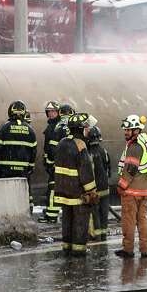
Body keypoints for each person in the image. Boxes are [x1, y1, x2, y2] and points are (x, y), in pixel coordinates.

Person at [53, 113, 98, 256]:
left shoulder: (62, 143)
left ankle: (67, 247)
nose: (89, 130)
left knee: (67, 220)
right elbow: (85, 171)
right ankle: (79, 251)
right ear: (80, 129)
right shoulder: (80, 145)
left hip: (63, 192)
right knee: (80, 221)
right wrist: (91, 191)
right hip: (78, 193)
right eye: (87, 127)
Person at [115, 114, 147, 259]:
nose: (126, 132)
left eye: (129, 130)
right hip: (145, 189)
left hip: (132, 190)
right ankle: (145, 250)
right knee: (143, 220)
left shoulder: (135, 146)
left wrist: (122, 186)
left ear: (137, 130)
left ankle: (128, 249)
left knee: (129, 221)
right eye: (125, 130)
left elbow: (130, 169)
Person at [0, 100, 38, 191]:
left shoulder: (4, 128)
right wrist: (30, 167)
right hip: (23, 171)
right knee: (21, 194)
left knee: (6, 193)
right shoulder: (30, 130)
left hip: (5, 171)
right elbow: (33, 152)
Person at [86, 122, 111, 242]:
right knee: (104, 213)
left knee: (95, 214)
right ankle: (103, 236)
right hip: (105, 188)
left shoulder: (88, 153)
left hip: (94, 189)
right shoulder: (104, 151)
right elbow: (108, 169)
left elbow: (88, 172)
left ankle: (97, 236)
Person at [41, 100, 62, 223]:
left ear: (58, 112)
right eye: (49, 112)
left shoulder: (56, 127)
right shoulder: (52, 126)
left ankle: (51, 216)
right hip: (53, 163)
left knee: (52, 189)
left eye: (53, 111)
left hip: (55, 164)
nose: (51, 114)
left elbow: (53, 148)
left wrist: (50, 163)